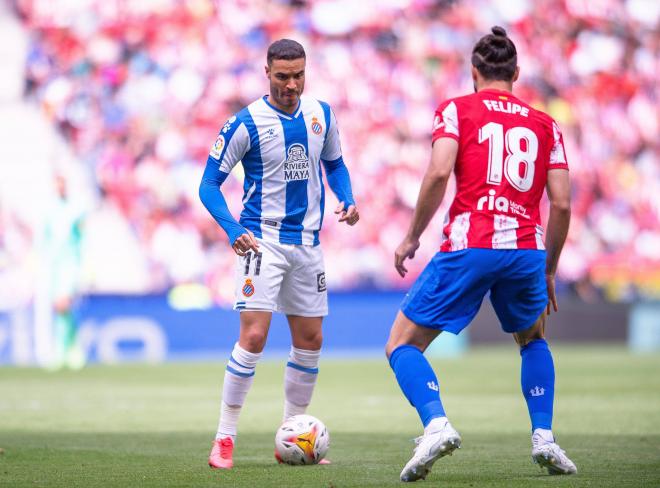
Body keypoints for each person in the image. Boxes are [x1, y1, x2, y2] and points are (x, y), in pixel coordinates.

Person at [384, 26, 576, 482]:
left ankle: (436, 424)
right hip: (527, 249)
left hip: (472, 243)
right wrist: (549, 268)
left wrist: (412, 236)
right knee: (532, 340)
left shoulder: (456, 110)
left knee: (401, 344)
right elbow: (563, 202)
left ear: (474, 72)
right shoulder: (545, 124)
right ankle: (544, 437)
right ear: (516, 73)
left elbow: (438, 172)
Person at [199, 38, 358, 470]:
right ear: (266, 72)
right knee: (253, 337)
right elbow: (208, 185)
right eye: (283, 76)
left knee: (311, 341)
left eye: (299, 75)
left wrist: (347, 198)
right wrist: (233, 229)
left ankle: (293, 435)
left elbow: (336, 164)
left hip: (308, 244)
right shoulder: (244, 123)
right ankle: (224, 440)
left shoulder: (321, 114)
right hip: (262, 242)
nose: (292, 84)